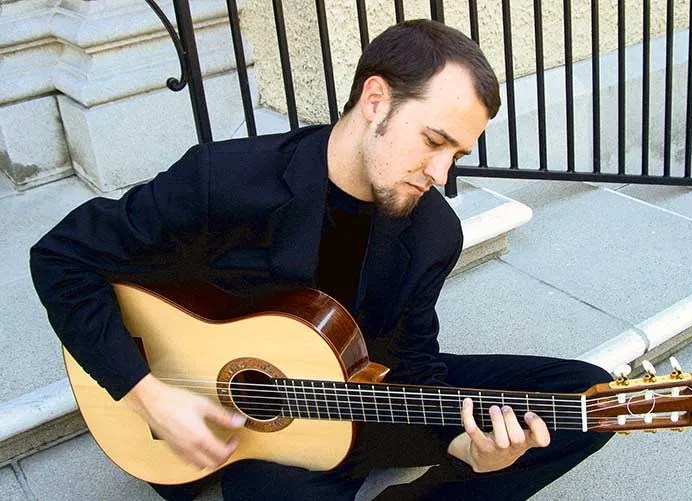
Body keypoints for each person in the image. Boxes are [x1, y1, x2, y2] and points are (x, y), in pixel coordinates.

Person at [30, 19, 612, 500]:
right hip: (245, 430)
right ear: (376, 100)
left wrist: (465, 451)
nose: (441, 174)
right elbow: (61, 258)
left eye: (456, 154)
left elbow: (413, 357)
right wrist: (146, 393)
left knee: (589, 400)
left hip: (358, 396)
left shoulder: (433, 231)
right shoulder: (226, 180)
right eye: (434, 141)